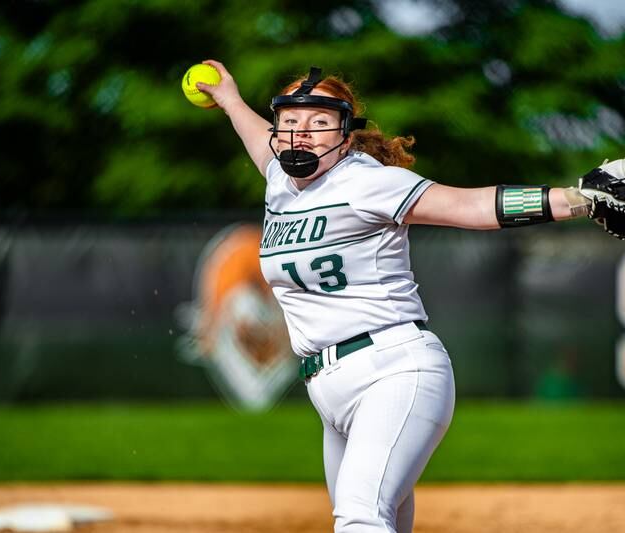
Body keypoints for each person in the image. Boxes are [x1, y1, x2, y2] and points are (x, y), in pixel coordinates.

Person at [196, 60, 594, 533]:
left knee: (361, 518)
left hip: (393, 371)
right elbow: (257, 134)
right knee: (378, 523)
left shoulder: (365, 182)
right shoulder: (282, 184)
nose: (301, 133)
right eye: (290, 122)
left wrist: (580, 199)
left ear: (345, 134)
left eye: (319, 122)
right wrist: (230, 99)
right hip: (330, 390)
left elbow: (470, 206)